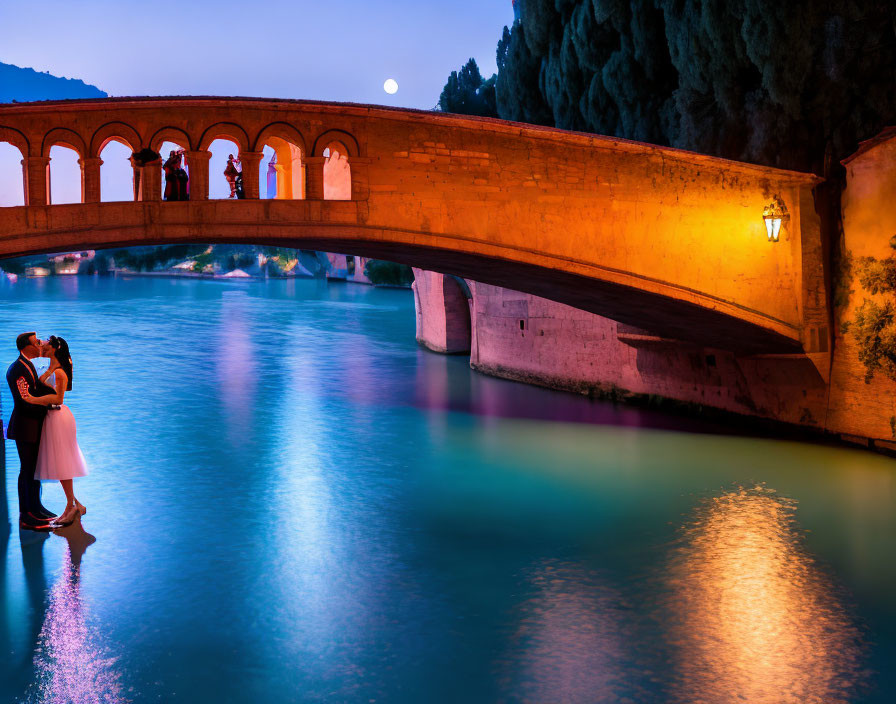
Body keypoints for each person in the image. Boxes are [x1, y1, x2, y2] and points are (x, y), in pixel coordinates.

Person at [22, 336, 88, 527]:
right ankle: (75, 504)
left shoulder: (59, 372)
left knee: (62, 463)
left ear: (54, 348)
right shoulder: (51, 368)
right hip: (51, 418)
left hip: (58, 417)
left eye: (45, 344)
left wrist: (31, 399)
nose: (42, 345)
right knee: (61, 463)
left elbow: (58, 399)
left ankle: (70, 507)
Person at [5, 332, 59, 531]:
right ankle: (26, 515)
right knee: (27, 470)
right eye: (36, 343)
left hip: (31, 425)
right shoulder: (18, 369)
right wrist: (48, 406)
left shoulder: (27, 365)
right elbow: (25, 400)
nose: (40, 345)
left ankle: (36, 507)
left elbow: (35, 391)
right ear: (26, 347)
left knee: (33, 470)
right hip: (25, 426)